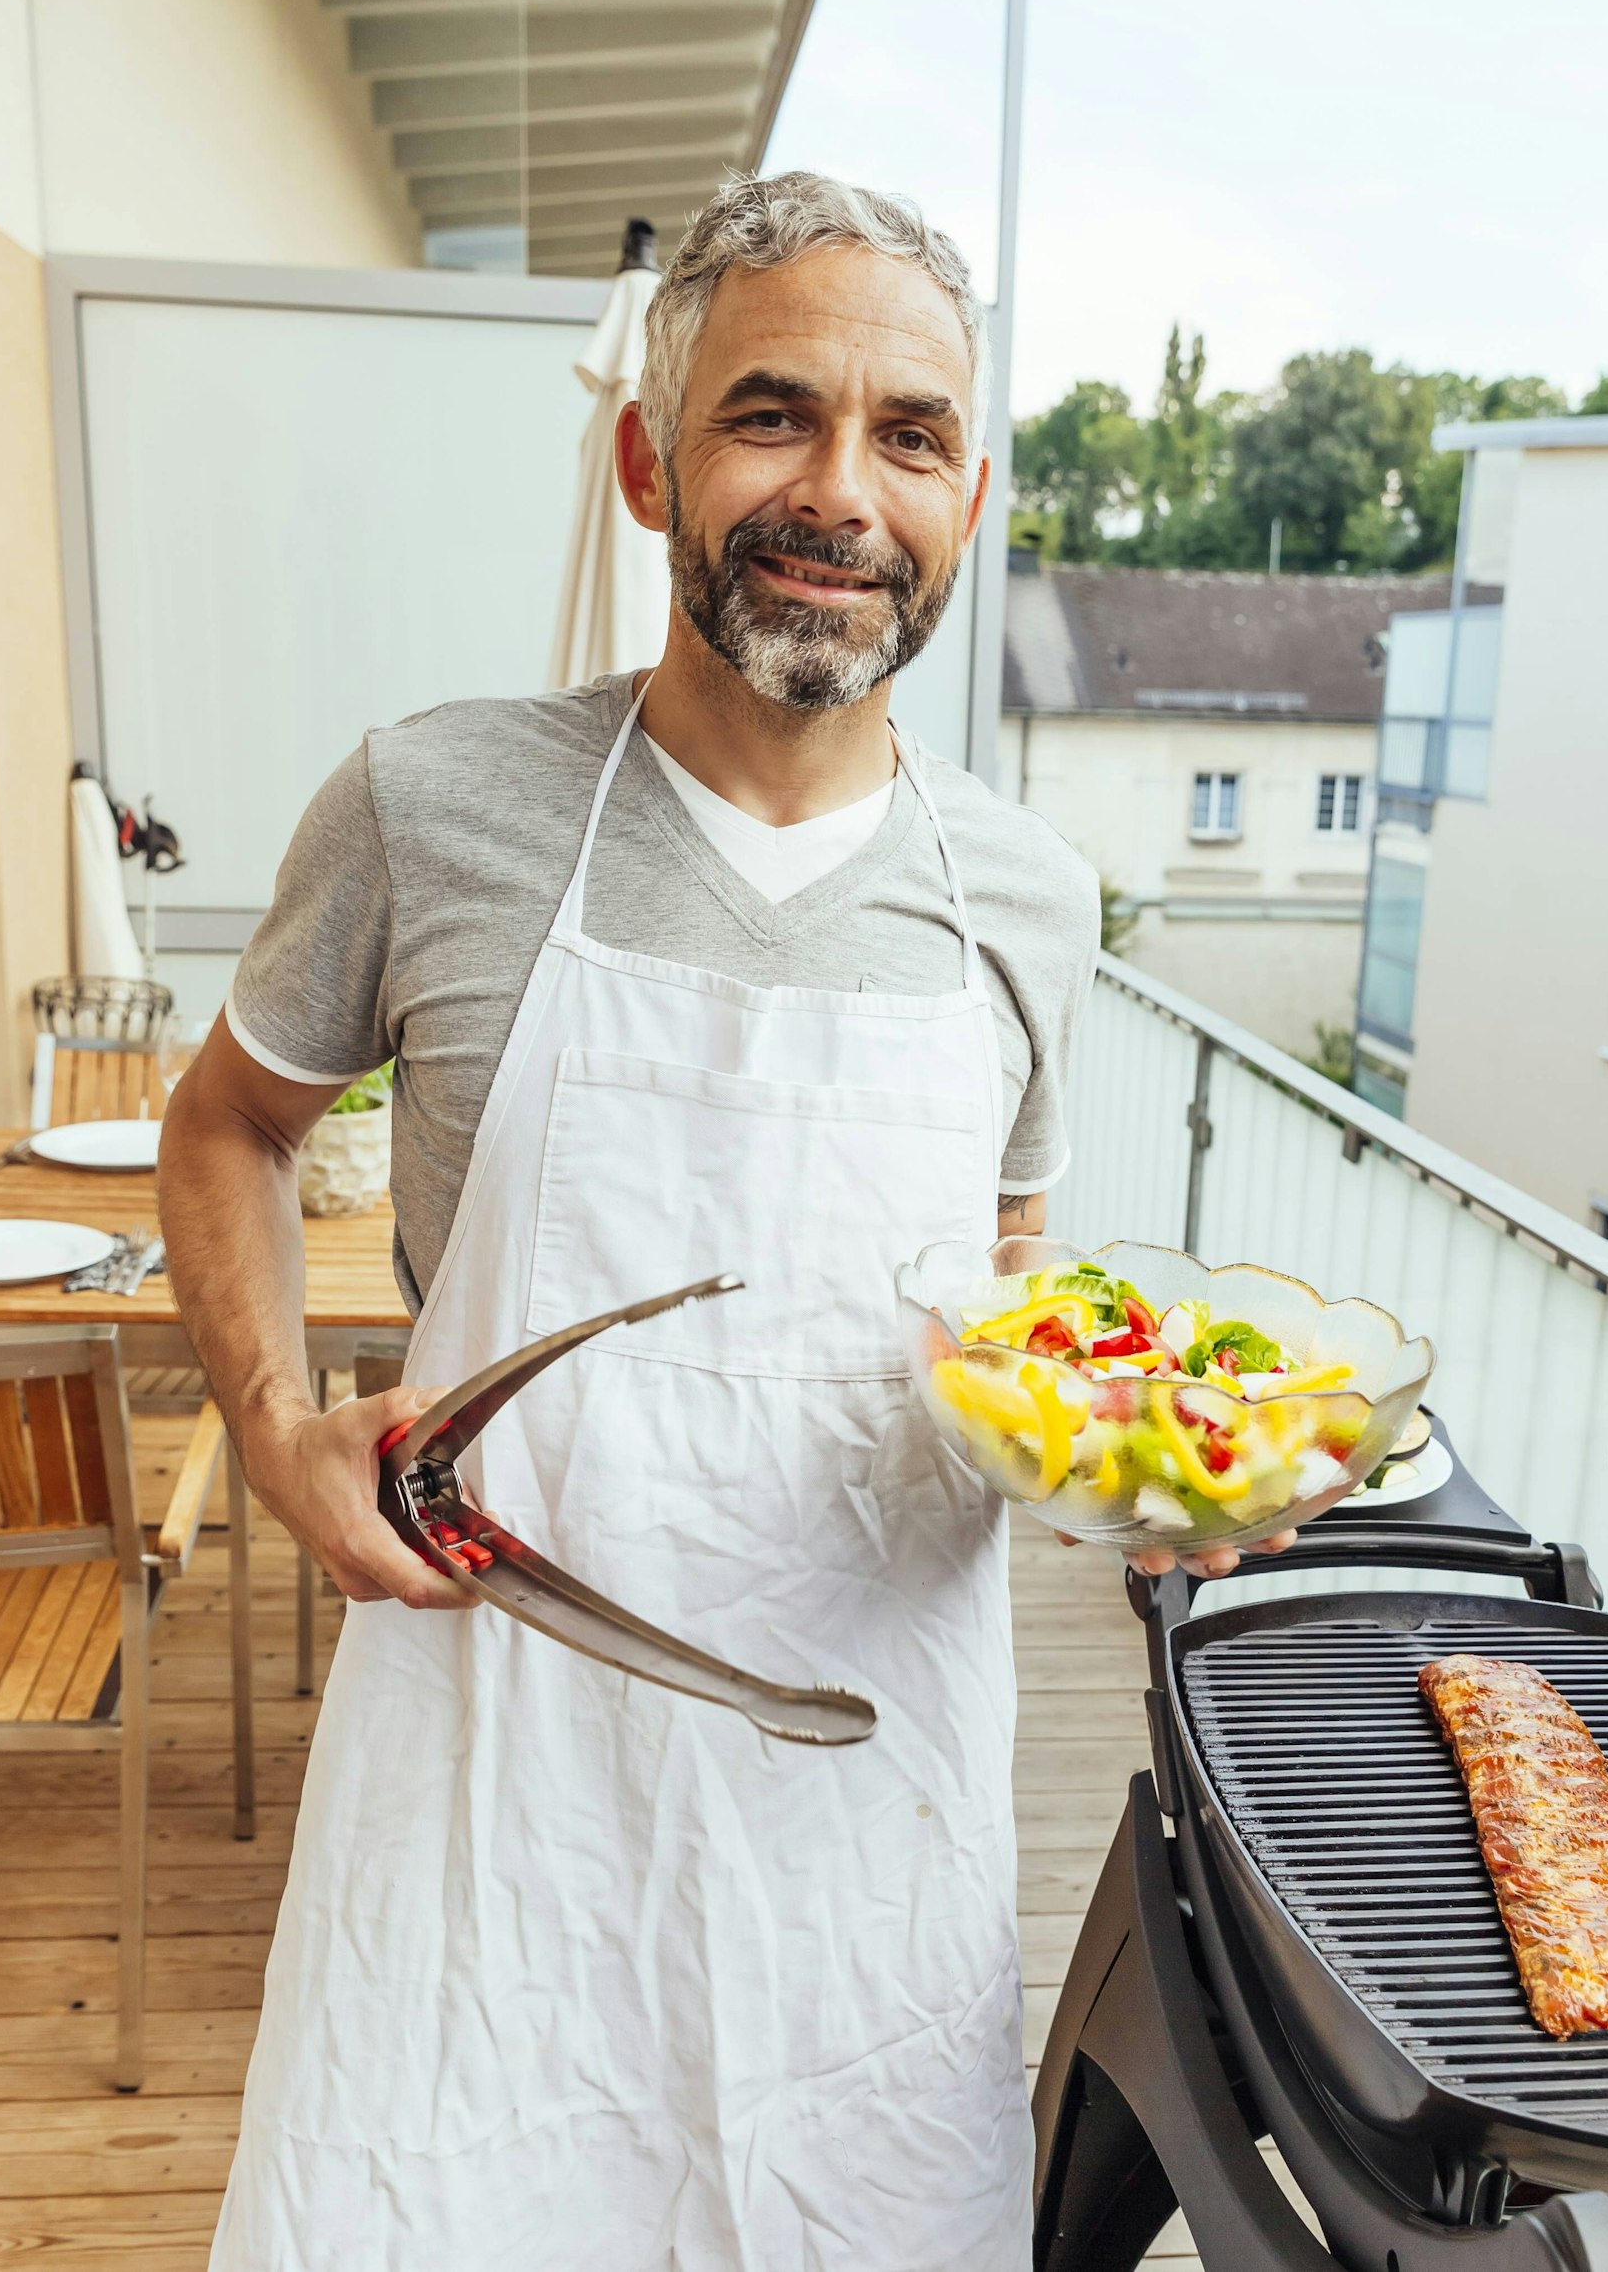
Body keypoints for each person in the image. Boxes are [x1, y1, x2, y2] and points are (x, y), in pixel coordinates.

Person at [161, 172, 1279, 2271]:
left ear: (967, 500)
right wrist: (276, 1425)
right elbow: (225, 1124)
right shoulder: (430, 803)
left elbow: (1006, 1288)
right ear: (647, 461)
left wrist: (1137, 1468)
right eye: (771, 415)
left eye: (911, 436)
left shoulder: (1029, 897)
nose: (841, 491)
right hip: (490, 1778)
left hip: (865, 1807)